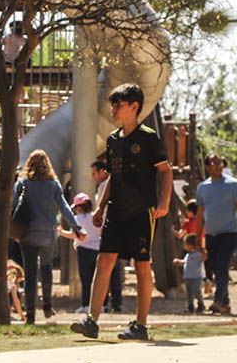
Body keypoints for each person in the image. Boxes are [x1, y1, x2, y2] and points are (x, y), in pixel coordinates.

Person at [70, 83, 172, 341]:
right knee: (104, 260)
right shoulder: (113, 140)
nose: (113, 109)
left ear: (134, 107)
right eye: (113, 104)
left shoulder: (148, 137)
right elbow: (113, 178)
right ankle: (91, 320)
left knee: (141, 265)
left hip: (141, 212)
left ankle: (140, 325)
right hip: (116, 211)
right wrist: (101, 206)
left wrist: (164, 202)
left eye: (119, 105)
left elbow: (166, 171)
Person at [12, 150, 84, 323]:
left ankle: (30, 313)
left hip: (28, 233)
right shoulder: (53, 185)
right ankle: (47, 304)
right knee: (46, 268)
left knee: (30, 273)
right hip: (48, 234)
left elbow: (13, 205)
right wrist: (77, 227)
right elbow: (65, 207)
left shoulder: (23, 184)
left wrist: (11, 230)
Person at [195, 154, 237, 316]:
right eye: (213, 163)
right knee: (214, 267)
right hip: (211, 234)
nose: (217, 165)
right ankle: (226, 304)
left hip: (230, 233)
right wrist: (197, 236)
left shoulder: (233, 185)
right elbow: (200, 214)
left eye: (219, 162)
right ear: (207, 167)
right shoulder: (203, 188)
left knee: (222, 265)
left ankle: (218, 301)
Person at [90, 159, 124, 311]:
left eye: (94, 173)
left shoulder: (105, 186)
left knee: (109, 268)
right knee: (113, 268)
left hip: (109, 227)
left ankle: (108, 302)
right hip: (109, 227)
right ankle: (114, 302)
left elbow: (104, 209)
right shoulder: (102, 186)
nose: (93, 177)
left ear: (103, 172)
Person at [59, 193, 100, 314]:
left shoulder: (77, 220)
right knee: (97, 279)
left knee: (85, 279)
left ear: (79, 207)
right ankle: (101, 304)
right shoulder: (95, 217)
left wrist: (61, 232)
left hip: (84, 250)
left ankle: (86, 304)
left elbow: (74, 235)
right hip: (97, 249)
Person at [173, 235, 206, 314]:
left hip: (197, 277)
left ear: (190, 245)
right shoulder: (188, 255)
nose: (183, 245)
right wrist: (178, 261)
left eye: (185, 243)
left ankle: (201, 304)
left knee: (196, 290)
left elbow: (204, 257)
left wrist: (202, 250)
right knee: (189, 293)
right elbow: (185, 263)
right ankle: (190, 306)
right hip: (188, 277)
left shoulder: (198, 254)